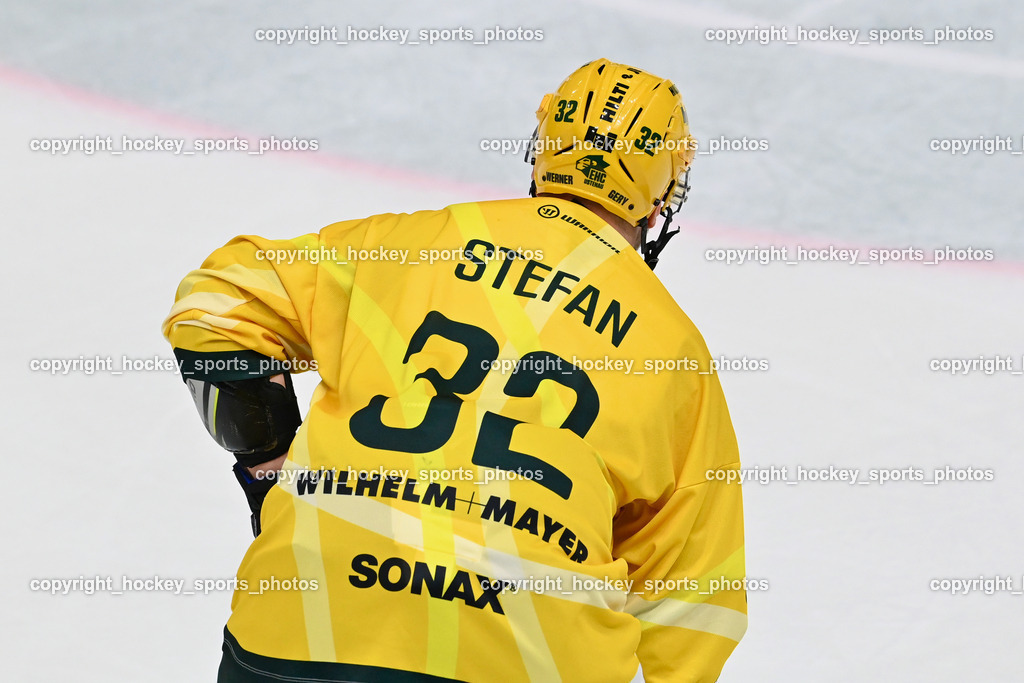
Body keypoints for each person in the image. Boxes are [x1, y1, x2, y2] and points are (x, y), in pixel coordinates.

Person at [163, 58, 746, 683]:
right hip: (526, 659)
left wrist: (267, 468)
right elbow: (696, 601)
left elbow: (215, 307)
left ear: (542, 151)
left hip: (306, 622)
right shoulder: (676, 353)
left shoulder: (409, 244)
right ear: (661, 196)